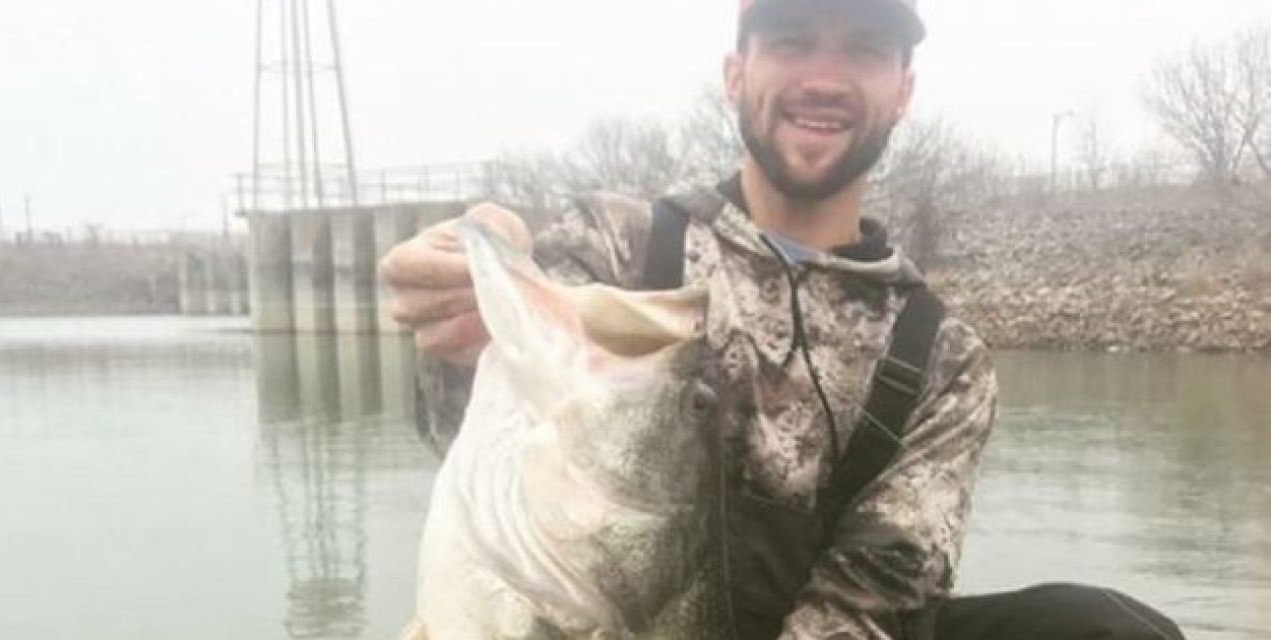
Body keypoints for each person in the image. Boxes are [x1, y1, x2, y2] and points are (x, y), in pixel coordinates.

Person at [381, 0, 1187, 638]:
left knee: (1100, 630)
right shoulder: (616, 245)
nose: (824, 77)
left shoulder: (944, 360)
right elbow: (461, 429)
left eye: (863, 48)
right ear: (735, 73)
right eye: (792, 39)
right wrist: (463, 314)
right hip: (590, 607)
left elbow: (874, 599)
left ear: (903, 91)